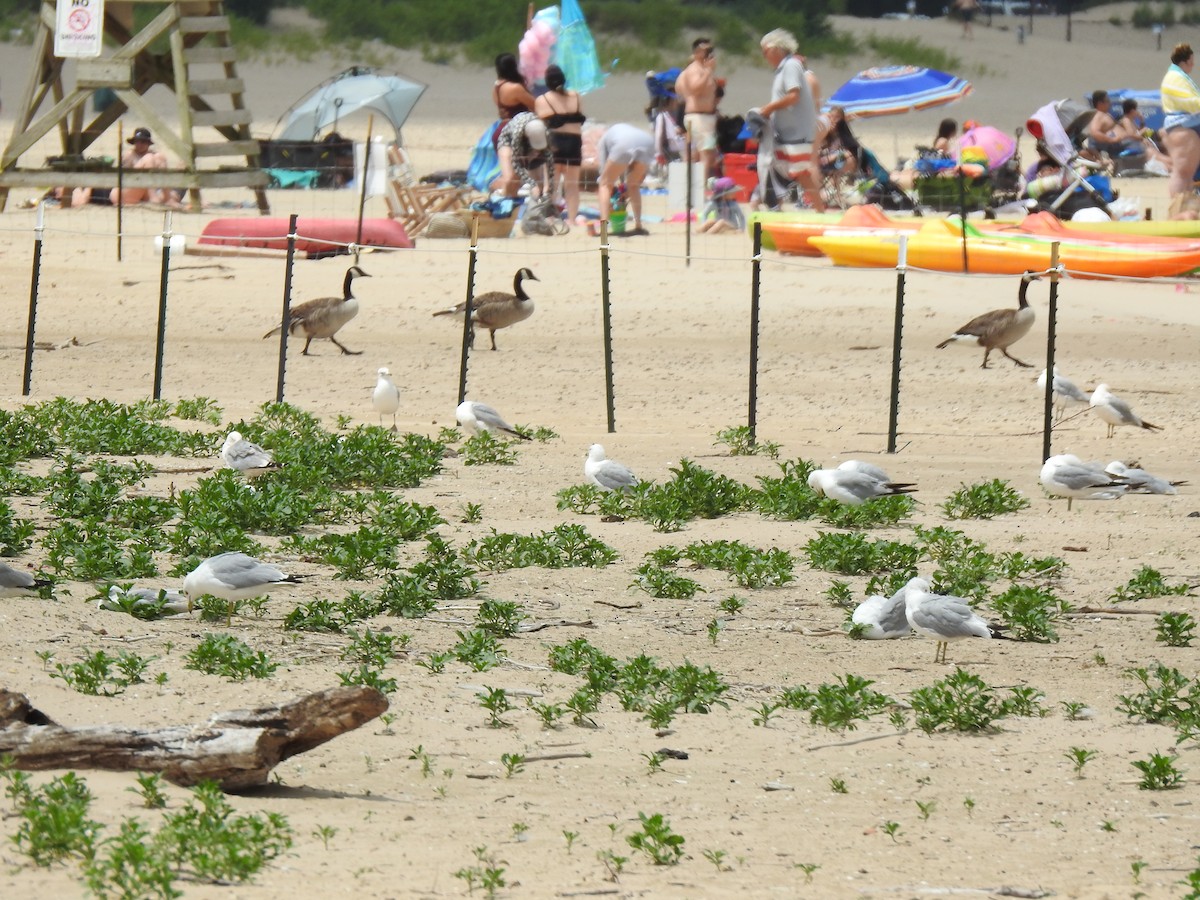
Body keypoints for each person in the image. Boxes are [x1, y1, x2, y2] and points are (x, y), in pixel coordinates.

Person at [755, 28, 824, 212]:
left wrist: (769, 108)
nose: (764, 56)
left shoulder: (790, 65)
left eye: (766, 51)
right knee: (777, 168)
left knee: (799, 173)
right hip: (787, 133)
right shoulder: (782, 69)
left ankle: (819, 211)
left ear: (776, 48)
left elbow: (794, 96)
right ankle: (775, 206)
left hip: (797, 133)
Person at [535, 64, 586, 223]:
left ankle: (548, 217)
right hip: (574, 144)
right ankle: (571, 219)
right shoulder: (576, 96)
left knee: (550, 185)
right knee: (572, 185)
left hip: (554, 143)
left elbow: (541, 125)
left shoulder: (542, 100)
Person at [596, 123, 654, 235]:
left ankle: (604, 227)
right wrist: (624, 191)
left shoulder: (603, 142)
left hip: (624, 143)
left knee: (604, 185)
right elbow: (639, 177)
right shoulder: (618, 132)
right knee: (634, 185)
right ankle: (638, 225)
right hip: (648, 142)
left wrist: (611, 200)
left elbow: (604, 177)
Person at [674, 37, 720, 178]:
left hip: (704, 117)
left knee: (704, 153)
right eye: (707, 51)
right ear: (697, 52)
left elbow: (679, 90)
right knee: (706, 153)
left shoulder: (698, 70)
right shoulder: (695, 69)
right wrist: (707, 72)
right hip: (699, 116)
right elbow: (694, 89)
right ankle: (702, 187)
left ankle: (699, 183)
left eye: (711, 50)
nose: (710, 54)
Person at [1160, 43, 1200, 202]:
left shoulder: (1179, 76)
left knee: (1187, 175)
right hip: (1183, 126)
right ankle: (1178, 211)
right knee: (1183, 173)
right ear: (1186, 61)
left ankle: (1186, 207)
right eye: (1192, 60)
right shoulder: (1174, 78)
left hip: (1186, 126)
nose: (1193, 64)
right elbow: (1190, 102)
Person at [108, 127, 180, 207]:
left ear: (148, 143)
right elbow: (123, 179)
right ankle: (154, 198)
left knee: (174, 195)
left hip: (142, 193)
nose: (139, 145)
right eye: (137, 142)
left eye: (143, 142)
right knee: (148, 158)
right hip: (124, 191)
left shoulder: (156, 156)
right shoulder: (129, 155)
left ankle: (168, 199)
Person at [492, 111, 553, 200]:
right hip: (508, 140)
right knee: (511, 178)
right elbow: (517, 165)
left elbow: (549, 163)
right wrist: (531, 184)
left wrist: (547, 189)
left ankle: (535, 201)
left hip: (530, 138)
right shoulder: (517, 133)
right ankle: (505, 199)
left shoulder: (545, 132)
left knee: (539, 181)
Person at [492, 53, 536, 148]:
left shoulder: (496, 86)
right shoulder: (515, 88)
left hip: (501, 130)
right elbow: (536, 106)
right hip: (517, 130)